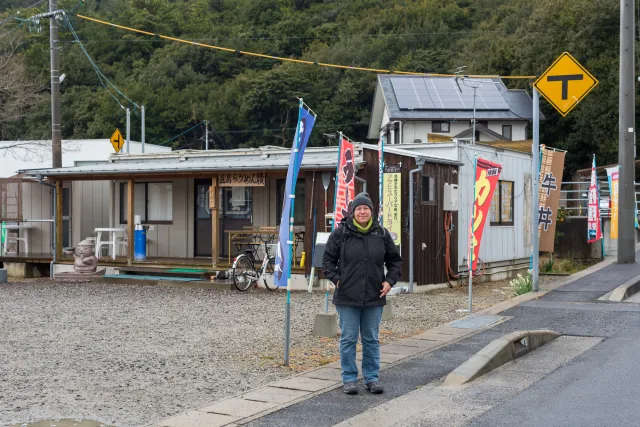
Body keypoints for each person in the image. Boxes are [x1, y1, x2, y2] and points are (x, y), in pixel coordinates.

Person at [322, 192, 403, 395]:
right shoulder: (341, 234)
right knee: (348, 338)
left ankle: (371, 378)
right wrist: (337, 279)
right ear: (352, 212)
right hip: (347, 296)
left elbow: (395, 261)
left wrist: (389, 281)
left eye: (366, 208)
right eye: (358, 208)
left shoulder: (381, 234)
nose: (362, 211)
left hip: (374, 296)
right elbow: (327, 261)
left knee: (371, 339)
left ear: (372, 212)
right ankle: (349, 378)